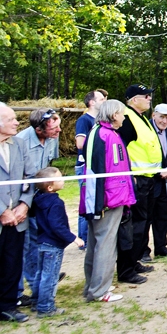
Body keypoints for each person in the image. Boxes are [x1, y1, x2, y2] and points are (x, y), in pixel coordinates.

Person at [81, 99, 135, 303]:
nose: (124, 117)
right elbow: (103, 170)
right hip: (108, 198)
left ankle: (93, 285)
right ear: (114, 115)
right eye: (122, 114)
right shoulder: (106, 135)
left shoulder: (100, 133)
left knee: (96, 242)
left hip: (105, 195)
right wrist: (101, 200)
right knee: (105, 243)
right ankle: (99, 290)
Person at [116, 84, 162, 284]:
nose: (149, 98)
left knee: (145, 222)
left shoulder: (142, 118)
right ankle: (126, 268)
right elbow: (120, 149)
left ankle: (135, 260)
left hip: (149, 177)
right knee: (135, 224)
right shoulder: (126, 119)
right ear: (134, 99)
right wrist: (128, 175)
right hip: (136, 178)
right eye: (146, 96)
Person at [16, 107, 62, 306]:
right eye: (55, 127)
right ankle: (21, 293)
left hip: (40, 199)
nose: (59, 131)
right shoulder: (21, 142)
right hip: (21, 200)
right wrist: (23, 204)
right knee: (23, 246)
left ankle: (39, 284)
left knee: (38, 241)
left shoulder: (52, 139)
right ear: (39, 130)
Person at [29, 167, 84, 317]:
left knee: (40, 274)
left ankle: (36, 301)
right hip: (52, 245)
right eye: (59, 178)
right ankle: (45, 307)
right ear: (50, 187)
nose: (63, 180)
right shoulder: (55, 203)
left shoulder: (38, 199)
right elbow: (57, 226)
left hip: (41, 242)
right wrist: (74, 238)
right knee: (50, 276)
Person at [0, 103, 35, 323]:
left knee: (12, 263)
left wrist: (24, 205)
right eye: (11, 119)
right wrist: (2, 211)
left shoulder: (20, 145)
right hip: (3, 215)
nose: (17, 122)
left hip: (17, 218)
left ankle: (7, 306)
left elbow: (31, 177)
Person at [147, 104, 167, 260]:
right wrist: (158, 169)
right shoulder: (147, 127)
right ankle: (143, 251)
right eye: (162, 117)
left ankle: (161, 246)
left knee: (163, 214)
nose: (165, 121)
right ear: (154, 115)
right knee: (147, 216)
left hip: (166, 177)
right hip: (150, 177)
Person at [75, 90, 107, 247]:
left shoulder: (101, 120)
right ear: (92, 102)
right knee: (86, 201)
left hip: (96, 167)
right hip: (85, 166)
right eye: (101, 99)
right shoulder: (84, 120)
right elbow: (80, 143)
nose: (104, 101)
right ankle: (84, 240)